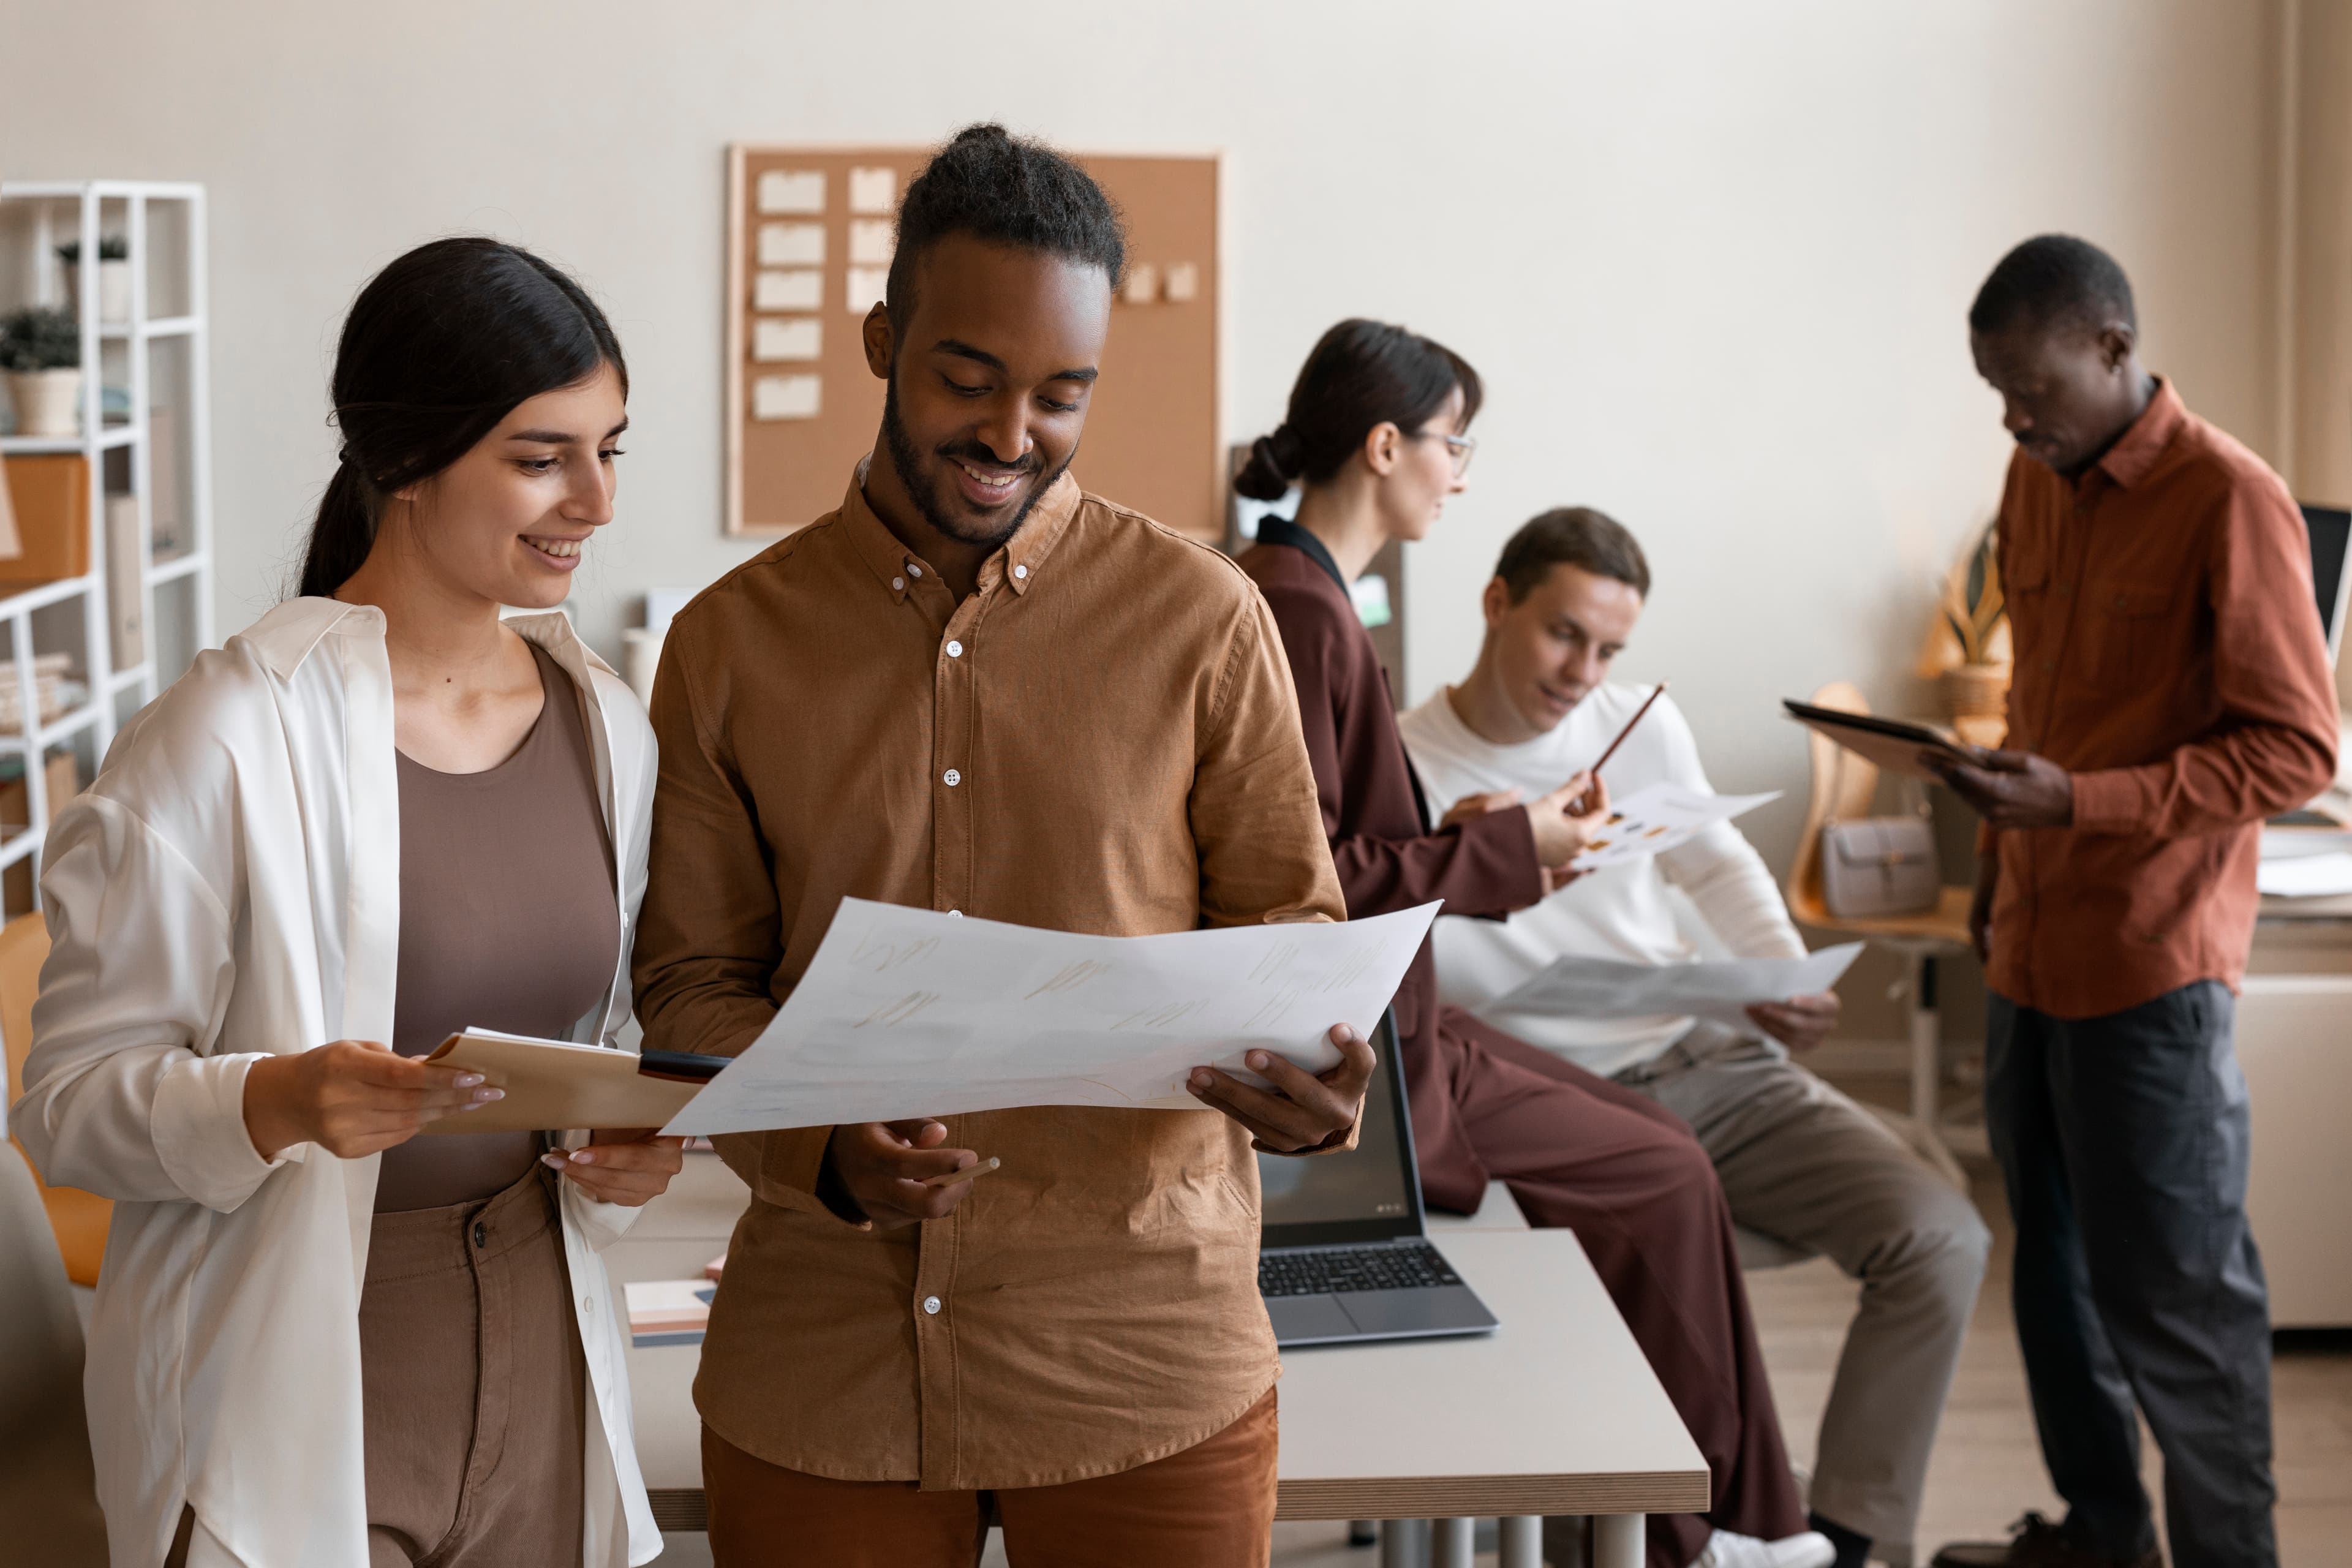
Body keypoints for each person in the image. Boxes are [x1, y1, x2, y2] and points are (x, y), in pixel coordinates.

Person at [631, 125, 1369, 1568]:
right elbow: (692, 987)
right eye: (968, 378)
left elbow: (1296, 931)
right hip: (822, 1367)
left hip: (1142, 1354)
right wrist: (822, 1139)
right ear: (883, 338)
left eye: (1060, 394)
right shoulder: (727, 645)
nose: (1011, 432)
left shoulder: (1208, 620)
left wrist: (1322, 1072)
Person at [9, 237, 682, 1568]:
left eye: (613, 447)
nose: (596, 499)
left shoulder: (606, 723)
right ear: (407, 458)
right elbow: (66, 1103)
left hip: (543, 1336)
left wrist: (626, 1150)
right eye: (543, 456)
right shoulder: (224, 732)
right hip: (293, 1369)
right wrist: (277, 1099)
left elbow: (599, 1036)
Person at [1237, 318, 1833, 1568]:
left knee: (1670, 1154)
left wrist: (1465, 832)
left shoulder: (1320, 597)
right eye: (1455, 444)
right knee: (1666, 1176)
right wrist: (1522, 850)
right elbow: (1304, 883)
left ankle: (1740, 1523)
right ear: (1386, 443)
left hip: (1403, 1017)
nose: (1462, 472)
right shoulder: (1299, 609)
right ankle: (1711, 1531)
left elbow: (1347, 838)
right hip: (1366, 1055)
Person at [1398, 506, 1993, 1568]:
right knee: (1637, 1263)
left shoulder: (1637, 724)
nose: (1584, 671)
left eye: (1610, 648)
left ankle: (1846, 1537)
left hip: (1706, 1058)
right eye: (1562, 634)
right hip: (1547, 1102)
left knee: (1942, 1240)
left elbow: (1716, 862)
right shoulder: (1403, 764)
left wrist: (1772, 974)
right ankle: (1677, 1527)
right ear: (1497, 604)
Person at [1922, 236, 2338, 1568]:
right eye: (1995, 393)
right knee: (2051, 1272)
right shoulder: (2031, 480)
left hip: (2150, 966)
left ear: (2112, 345)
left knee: (2181, 1301)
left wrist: (2081, 806)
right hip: (2027, 943)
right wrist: (2000, 850)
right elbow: (2043, 703)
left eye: (2030, 387)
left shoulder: (2232, 497)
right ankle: (2105, 1534)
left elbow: (2296, 750)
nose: (2013, 418)